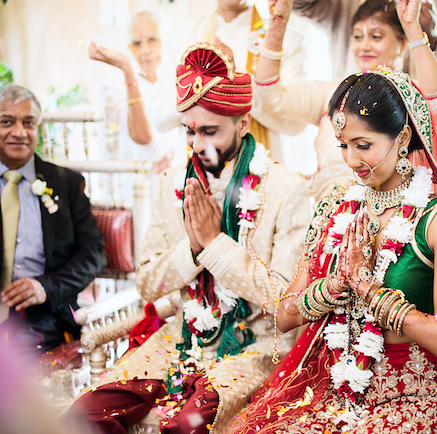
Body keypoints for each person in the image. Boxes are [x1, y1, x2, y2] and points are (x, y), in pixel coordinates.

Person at [225, 66, 437, 434]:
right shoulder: (336, 206)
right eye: (343, 145)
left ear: (403, 138)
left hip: (416, 394)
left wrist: (368, 289)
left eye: (363, 146)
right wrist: (336, 284)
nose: (350, 160)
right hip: (335, 388)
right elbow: (284, 315)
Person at [69, 43, 311, 434]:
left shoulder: (284, 190)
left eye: (211, 131)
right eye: (190, 130)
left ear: (244, 123)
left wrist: (216, 245)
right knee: (85, 416)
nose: (198, 145)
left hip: (253, 350)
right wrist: (194, 248)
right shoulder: (171, 185)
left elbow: (286, 302)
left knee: (188, 426)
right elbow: (147, 284)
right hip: (179, 341)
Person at [255, 0, 437, 211]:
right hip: (330, 227)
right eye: (357, 37)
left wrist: (414, 29)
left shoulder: (407, 98)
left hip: (393, 228)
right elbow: (270, 97)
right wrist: (278, 24)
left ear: (402, 44)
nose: (364, 46)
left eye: (375, 37)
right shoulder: (334, 93)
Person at [0, 84, 106, 351]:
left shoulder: (65, 183)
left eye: (28, 123)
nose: (19, 132)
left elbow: (94, 254)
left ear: (38, 128)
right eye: (6, 122)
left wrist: (44, 287)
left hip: (45, 319)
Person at [150, 0, 308, 165]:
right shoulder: (181, 36)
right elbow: (158, 118)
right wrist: (201, 80)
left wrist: (235, 76)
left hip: (262, 179)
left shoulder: (286, 39)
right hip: (194, 179)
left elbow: (295, 124)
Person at [292, 0, 437, 108]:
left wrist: (430, 40)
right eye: (359, 36)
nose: (365, 45)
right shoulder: (344, 5)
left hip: (423, 159)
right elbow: (298, 4)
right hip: (355, 141)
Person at [89, 10, 186, 196]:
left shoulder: (181, 82)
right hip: (140, 185)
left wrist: (178, 159)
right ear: (130, 48)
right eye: (137, 43)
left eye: (152, 39)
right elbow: (143, 137)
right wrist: (127, 71)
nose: (145, 50)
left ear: (165, 39)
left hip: (177, 179)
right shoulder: (118, 89)